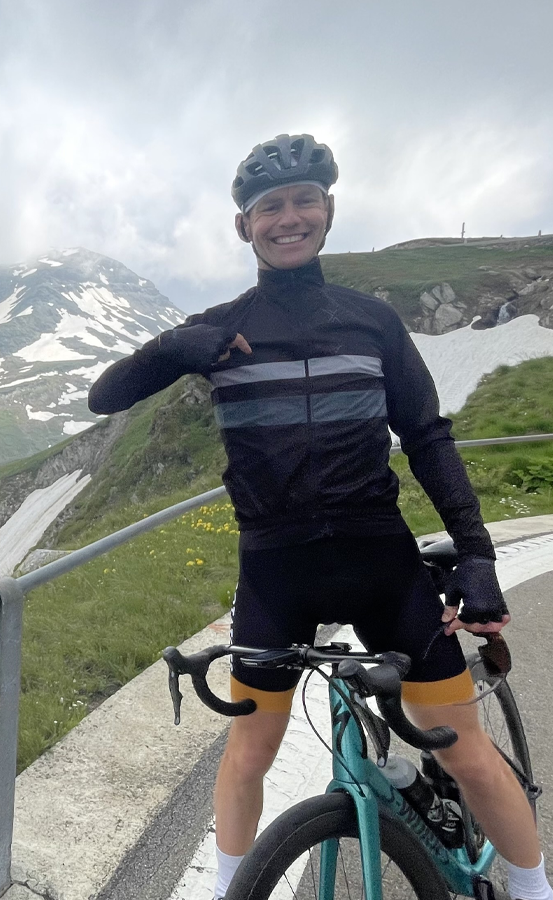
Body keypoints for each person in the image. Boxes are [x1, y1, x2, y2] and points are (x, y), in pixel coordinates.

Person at [88, 134, 550, 899]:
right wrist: (175, 346)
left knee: (465, 750)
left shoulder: (370, 320)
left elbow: (428, 436)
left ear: (329, 211)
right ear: (245, 226)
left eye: (305, 200)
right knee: (249, 752)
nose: (289, 217)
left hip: (384, 566)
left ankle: (535, 889)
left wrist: (478, 555)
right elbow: (104, 398)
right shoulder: (222, 326)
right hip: (275, 572)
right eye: (270, 206)